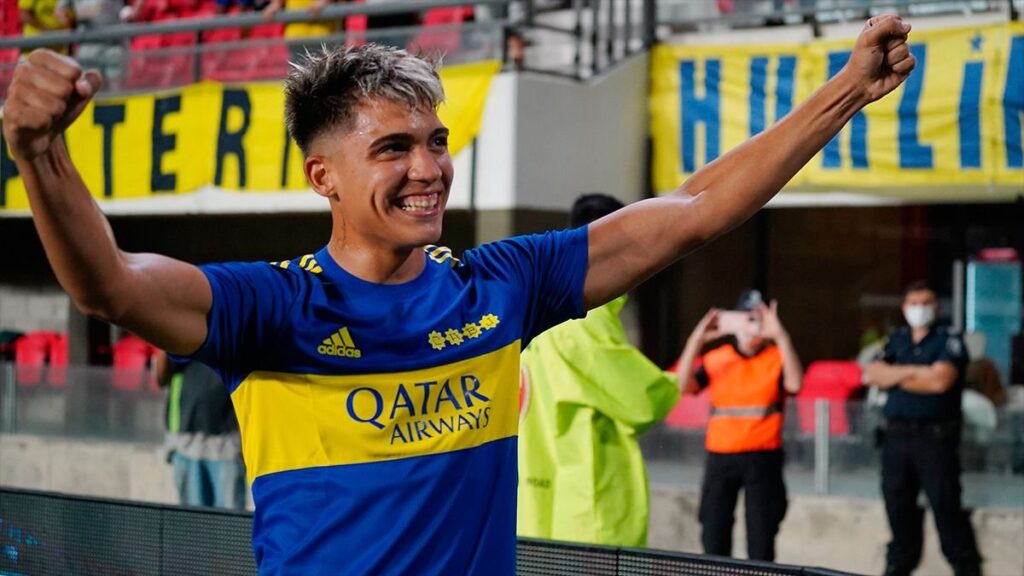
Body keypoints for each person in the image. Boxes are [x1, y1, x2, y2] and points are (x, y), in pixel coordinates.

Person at [3, 16, 915, 574]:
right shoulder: (273, 308)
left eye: (436, 141)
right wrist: (41, 154)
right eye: (393, 149)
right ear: (322, 176)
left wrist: (846, 91)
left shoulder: (502, 285)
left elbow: (690, 213)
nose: (429, 168)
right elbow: (109, 285)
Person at [517, 193, 681, 548]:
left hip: (535, 497)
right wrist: (678, 380)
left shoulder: (536, 305)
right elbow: (643, 402)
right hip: (586, 507)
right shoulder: (585, 318)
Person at [865, 281, 984, 576]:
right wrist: (918, 372)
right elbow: (873, 374)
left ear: (936, 307)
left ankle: (965, 566)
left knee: (946, 508)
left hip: (934, 439)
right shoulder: (897, 339)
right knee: (897, 506)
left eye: (926, 302)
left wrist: (896, 375)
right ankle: (898, 564)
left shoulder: (948, 339)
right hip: (896, 438)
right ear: (904, 307)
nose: (919, 309)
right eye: (913, 303)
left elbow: (940, 381)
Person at [674, 291, 803, 561]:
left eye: (757, 319)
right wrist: (696, 340)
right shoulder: (717, 358)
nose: (750, 326)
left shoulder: (776, 357)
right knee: (714, 533)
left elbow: (794, 384)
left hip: (763, 456)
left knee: (762, 536)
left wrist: (781, 336)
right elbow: (683, 386)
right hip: (721, 455)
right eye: (745, 318)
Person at [155, 351, 247, 510]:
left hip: (228, 444)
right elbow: (161, 378)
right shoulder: (179, 337)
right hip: (186, 443)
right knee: (193, 522)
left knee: (229, 522)